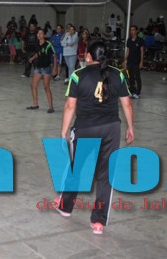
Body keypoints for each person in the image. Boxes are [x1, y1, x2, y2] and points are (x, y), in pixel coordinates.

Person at [53, 41, 134, 235]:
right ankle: (98, 221)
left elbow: (70, 106)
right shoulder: (118, 74)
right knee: (105, 174)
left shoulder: (78, 75)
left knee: (77, 168)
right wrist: (131, 127)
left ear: (88, 56)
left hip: (86, 128)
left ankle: (65, 207)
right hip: (111, 129)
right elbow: (127, 104)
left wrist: (64, 131)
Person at [26, 29, 57, 112]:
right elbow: (39, 53)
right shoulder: (37, 44)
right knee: (33, 85)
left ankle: (51, 107)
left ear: (44, 35)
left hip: (46, 68)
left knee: (46, 87)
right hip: (38, 67)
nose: (39, 35)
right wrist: (32, 58)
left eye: (41, 33)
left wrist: (54, 68)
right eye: (38, 33)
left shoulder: (48, 44)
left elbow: (54, 56)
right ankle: (35, 104)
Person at [124, 25, 145, 99]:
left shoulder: (140, 40)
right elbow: (128, 51)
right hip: (130, 62)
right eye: (131, 30)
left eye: (133, 30)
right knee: (130, 77)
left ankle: (138, 93)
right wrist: (125, 60)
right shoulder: (129, 40)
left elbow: (142, 52)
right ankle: (132, 91)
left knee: (137, 77)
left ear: (136, 31)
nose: (132, 31)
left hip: (137, 62)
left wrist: (141, 62)